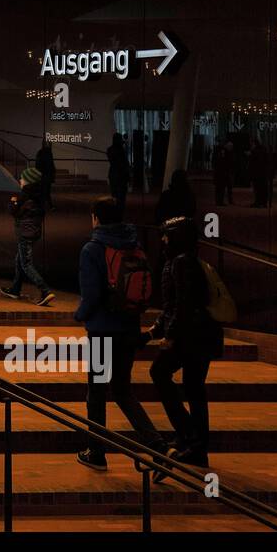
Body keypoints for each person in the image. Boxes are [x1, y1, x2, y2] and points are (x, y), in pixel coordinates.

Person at [73, 196, 166, 471]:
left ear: (96, 218)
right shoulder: (134, 245)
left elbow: (91, 295)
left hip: (102, 332)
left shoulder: (92, 249)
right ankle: (159, 447)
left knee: (96, 392)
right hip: (128, 329)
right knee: (123, 391)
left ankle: (97, 451)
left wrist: (80, 315)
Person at [147, 215, 224, 472]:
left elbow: (181, 304)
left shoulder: (180, 263)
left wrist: (169, 335)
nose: (163, 239)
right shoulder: (187, 261)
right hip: (199, 337)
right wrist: (157, 328)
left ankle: (190, 438)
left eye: (167, 235)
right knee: (194, 389)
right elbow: (176, 305)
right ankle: (194, 444)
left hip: (191, 337)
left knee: (160, 373)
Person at [1, 167, 55, 305]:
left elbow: (14, 211)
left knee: (26, 264)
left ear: (29, 181)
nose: (20, 180)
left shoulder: (25, 195)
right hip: (34, 232)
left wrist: (13, 201)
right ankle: (15, 289)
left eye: (22, 178)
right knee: (19, 261)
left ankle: (45, 291)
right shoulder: (40, 196)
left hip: (25, 233)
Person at [107, 133, 131, 211]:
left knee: (115, 196)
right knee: (120, 197)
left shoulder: (110, 149)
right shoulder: (120, 150)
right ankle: (118, 212)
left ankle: (115, 211)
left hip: (114, 175)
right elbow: (123, 164)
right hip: (120, 177)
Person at [249, 138, 273, 208]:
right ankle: (263, 203)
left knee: (258, 189)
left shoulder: (255, 151)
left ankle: (258, 202)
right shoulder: (264, 149)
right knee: (263, 189)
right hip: (263, 173)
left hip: (257, 173)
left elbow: (253, 163)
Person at [212, 138, 233, 206]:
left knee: (220, 188)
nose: (231, 148)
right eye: (230, 146)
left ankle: (219, 201)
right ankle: (219, 201)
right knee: (220, 188)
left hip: (221, 172)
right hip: (222, 172)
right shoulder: (223, 151)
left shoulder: (220, 150)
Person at [34, 142, 56, 209]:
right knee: (46, 192)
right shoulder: (49, 153)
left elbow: (37, 165)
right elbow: (51, 166)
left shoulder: (40, 153)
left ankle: (41, 205)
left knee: (42, 191)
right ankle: (49, 206)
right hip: (46, 176)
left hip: (42, 176)